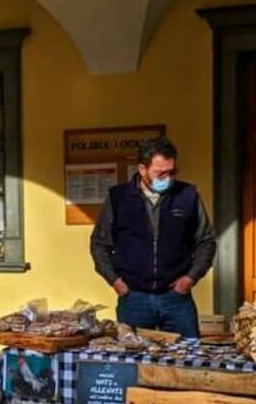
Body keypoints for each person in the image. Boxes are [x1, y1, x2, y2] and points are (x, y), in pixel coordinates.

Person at [90, 137, 216, 338]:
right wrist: (116, 282)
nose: (168, 178)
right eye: (160, 173)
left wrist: (190, 279)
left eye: (172, 172)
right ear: (142, 169)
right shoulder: (118, 198)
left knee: (188, 357)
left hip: (176, 299)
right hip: (133, 298)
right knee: (134, 364)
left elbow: (206, 241)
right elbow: (99, 244)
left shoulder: (188, 195)